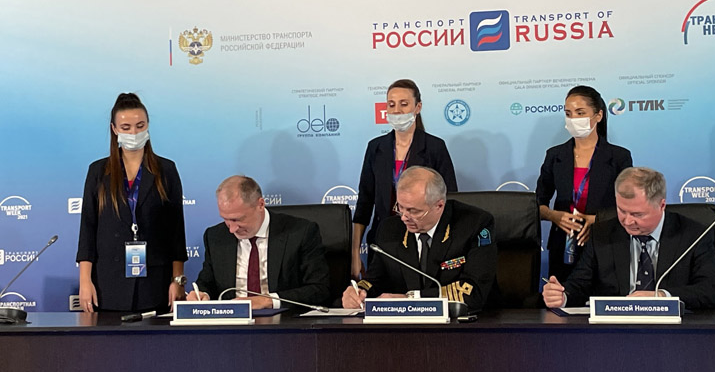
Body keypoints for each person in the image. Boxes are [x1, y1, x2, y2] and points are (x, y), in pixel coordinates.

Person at [543, 167, 715, 311]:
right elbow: (580, 284)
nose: (627, 221)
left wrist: (661, 296)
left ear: (661, 205)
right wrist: (562, 296)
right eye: (622, 211)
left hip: (674, 334)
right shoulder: (603, 232)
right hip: (615, 333)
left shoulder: (693, 234)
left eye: (638, 214)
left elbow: (713, 291)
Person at [76, 92, 187, 312]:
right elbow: (88, 229)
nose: (134, 133)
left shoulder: (166, 170)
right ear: (114, 129)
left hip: (155, 282)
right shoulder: (98, 171)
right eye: (126, 127)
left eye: (140, 126)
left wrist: (177, 280)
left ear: (148, 126)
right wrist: (85, 281)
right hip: (108, 284)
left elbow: (176, 232)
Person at [343, 166, 497, 312]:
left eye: (413, 211)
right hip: (405, 326)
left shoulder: (474, 225)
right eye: (400, 207)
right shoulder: (390, 229)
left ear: (439, 206)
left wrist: (411, 300)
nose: (404, 217)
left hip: (465, 324)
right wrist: (359, 292)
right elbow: (375, 280)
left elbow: (474, 291)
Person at [352, 79, 458, 278]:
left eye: (404, 104)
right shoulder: (375, 148)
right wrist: (355, 253)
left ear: (418, 107)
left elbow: (449, 199)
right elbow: (364, 203)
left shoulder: (435, 147)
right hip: (383, 240)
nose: (397, 111)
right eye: (391, 105)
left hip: (423, 239)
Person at [187, 175, 330, 308]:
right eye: (226, 219)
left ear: (260, 205)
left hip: (283, 321)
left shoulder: (300, 232)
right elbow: (206, 283)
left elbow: (319, 289)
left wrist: (268, 300)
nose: (232, 229)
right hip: (231, 322)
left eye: (238, 219)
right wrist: (202, 294)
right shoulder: (216, 236)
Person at [536, 85, 632, 281]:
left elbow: (629, 206)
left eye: (580, 113)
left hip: (606, 245)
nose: (573, 119)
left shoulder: (619, 157)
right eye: (568, 114)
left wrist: (596, 220)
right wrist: (554, 216)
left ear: (598, 115)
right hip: (563, 246)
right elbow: (536, 204)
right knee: (562, 297)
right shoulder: (555, 155)